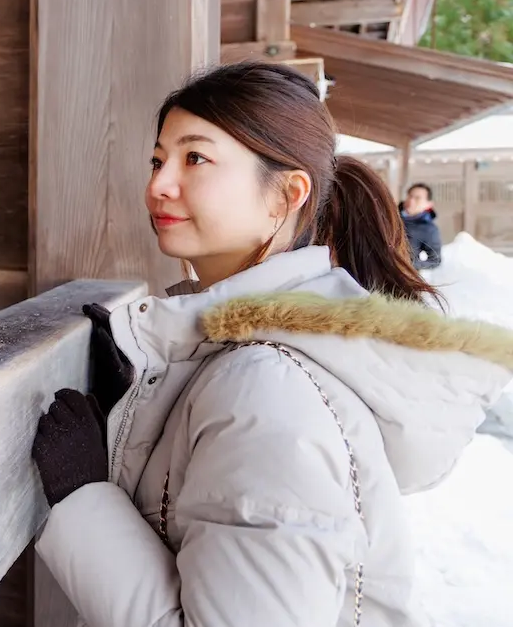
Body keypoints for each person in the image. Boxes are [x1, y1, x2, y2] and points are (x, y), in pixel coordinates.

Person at [30, 62, 513, 627]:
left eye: (196, 158)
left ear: (286, 196)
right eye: (159, 159)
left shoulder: (265, 388)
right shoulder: (240, 353)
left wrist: (83, 496)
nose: (158, 183)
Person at [399, 182, 443, 270]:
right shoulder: (390, 216)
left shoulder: (429, 229)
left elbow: (435, 260)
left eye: (417, 198)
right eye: (410, 196)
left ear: (429, 204)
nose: (411, 201)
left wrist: (409, 265)